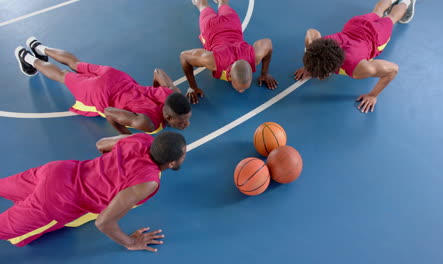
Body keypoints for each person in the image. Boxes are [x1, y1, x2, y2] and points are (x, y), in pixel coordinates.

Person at [0, 131, 186, 252]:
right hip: (57, 200)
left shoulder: (142, 139)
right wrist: (131, 243)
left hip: (59, 170)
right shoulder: (147, 182)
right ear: (171, 163)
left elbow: (102, 144)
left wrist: (114, 166)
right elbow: (104, 222)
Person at [15, 37, 192, 134]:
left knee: (76, 64)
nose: (187, 124)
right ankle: (26, 57)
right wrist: (126, 137)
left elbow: (158, 72)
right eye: (183, 121)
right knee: (63, 76)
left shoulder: (173, 94)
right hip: (101, 92)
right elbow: (109, 112)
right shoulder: (148, 123)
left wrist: (153, 89)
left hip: (115, 77)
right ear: (168, 118)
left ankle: (37, 46)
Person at [294, 0, 416, 113]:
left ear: (333, 69)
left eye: (322, 75)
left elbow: (393, 69)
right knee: (377, 11)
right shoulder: (318, 45)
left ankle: (406, 2)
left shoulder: (358, 69)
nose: (320, 78)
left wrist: (373, 95)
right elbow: (312, 32)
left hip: (376, 35)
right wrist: (311, 64)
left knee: (391, 17)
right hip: (356, 24)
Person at [180, 0, 278, 104]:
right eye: (240, 88)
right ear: (230, 76)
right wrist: (193, 87)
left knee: (223, 3)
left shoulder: (255, 56)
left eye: (243, 88)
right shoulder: (213, 61)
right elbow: (184, 56)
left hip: (231, 22)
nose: (241, 91)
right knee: (201, 4)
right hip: (211, 27)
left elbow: (268, 43)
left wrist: (264, 73)